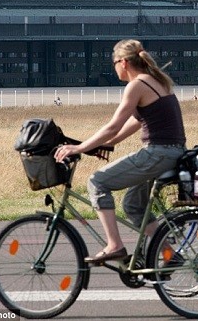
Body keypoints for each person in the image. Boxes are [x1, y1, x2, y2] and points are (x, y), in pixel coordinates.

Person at [54, 39, 186, 264]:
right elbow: (136, 121)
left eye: (114, 63)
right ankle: (168, 254)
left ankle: (114, 245)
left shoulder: (136, 86)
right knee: (133, 205)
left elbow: (113, 125)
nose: (114, 68)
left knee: (97, 182)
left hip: (158, 153)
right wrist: (108, 143)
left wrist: (80, 147)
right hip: (173, 152)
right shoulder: (155, 81)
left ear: (124, 62)